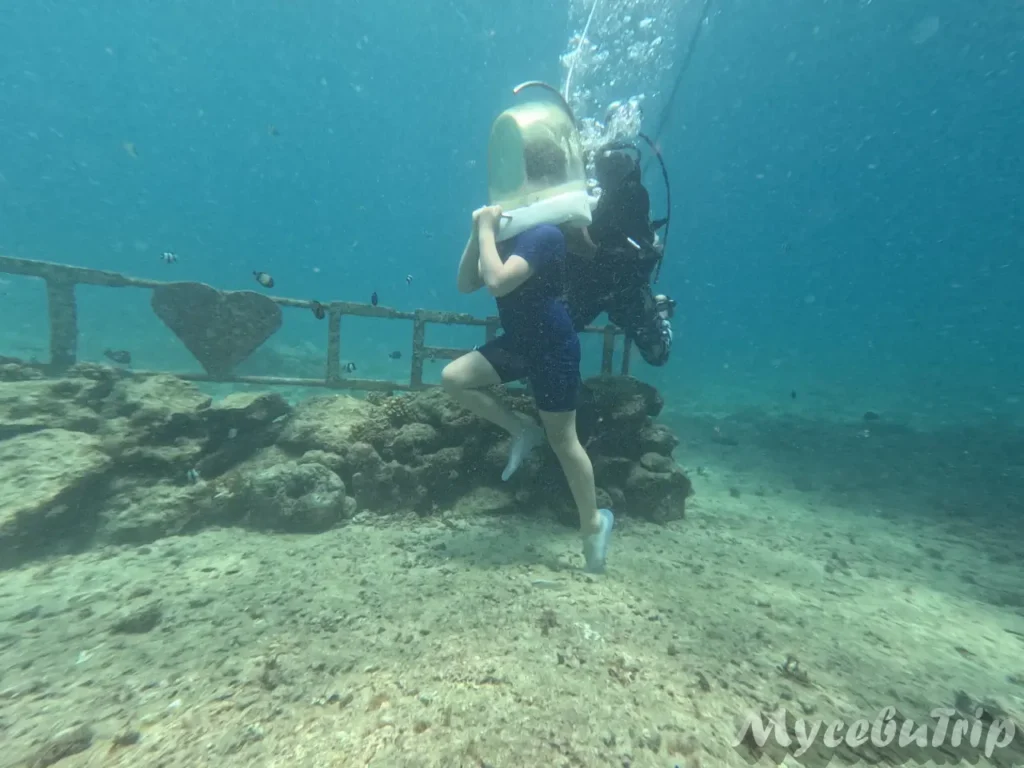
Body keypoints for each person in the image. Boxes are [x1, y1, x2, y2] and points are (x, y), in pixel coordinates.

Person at [441, 200, 615, 574]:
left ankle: (594, 525)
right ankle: (521, 429)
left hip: (552, 345)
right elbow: (466, 283)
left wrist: (486, 230)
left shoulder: (545, 235)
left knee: (564, 442)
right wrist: (478, 234)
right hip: (520, 341)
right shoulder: (509, 238)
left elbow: (498, 283)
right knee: (454, 379)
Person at [567, 143, 676, 366]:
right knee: (551, 331)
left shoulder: (633, 195)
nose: (609, 171)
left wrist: (594, 252)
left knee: (657, 353)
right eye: (605, 166)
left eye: (616, 165)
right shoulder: (577, 195)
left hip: (623, 286)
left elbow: (642, 259)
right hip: (586, 281)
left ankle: (660, 311)